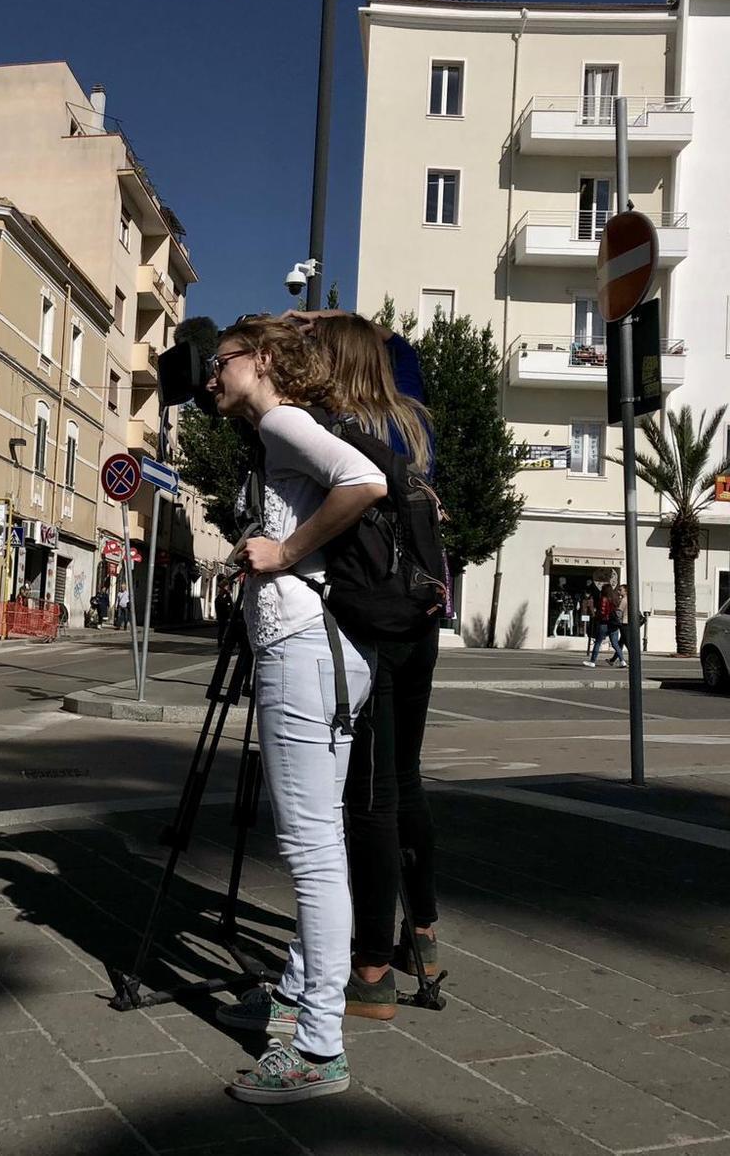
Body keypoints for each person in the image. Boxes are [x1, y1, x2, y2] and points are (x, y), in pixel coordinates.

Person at [206, 315, 386, 1104]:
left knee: (311, 853)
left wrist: (281, 552)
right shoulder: (282, 431)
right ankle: (298, 1002)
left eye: (223, 362)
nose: (212, 376)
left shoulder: (284, 421)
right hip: (331, 652)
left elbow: (363, 481)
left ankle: (318, 1047)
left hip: (304, 651)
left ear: (265, 361)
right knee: (324, 848)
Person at [287, 309, 442, 1023]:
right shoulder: (413, 421)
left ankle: (372, 969)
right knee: (405, 778)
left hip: (368, 620)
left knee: (367, 798)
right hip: (420, 615)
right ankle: (424, 938)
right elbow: (401, 354)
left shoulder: (328, 425)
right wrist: (356, 324)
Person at [585, 583, 627, 667]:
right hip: (614, 624)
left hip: (604, 623)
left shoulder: (604, 599)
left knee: (598, 642)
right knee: (615, 643)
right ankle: (622, 661)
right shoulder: (615, 599)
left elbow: (603, 612)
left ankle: (592, 661)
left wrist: (597, 616)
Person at [214, 577, 235, 646]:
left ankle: (223, 641)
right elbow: (218, 604)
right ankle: (221, 641)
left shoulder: (226, 595)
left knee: (224, 629)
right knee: (222, 629)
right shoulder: (221, 596)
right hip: (222, 614)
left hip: (225, 614)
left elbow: (230, 604)